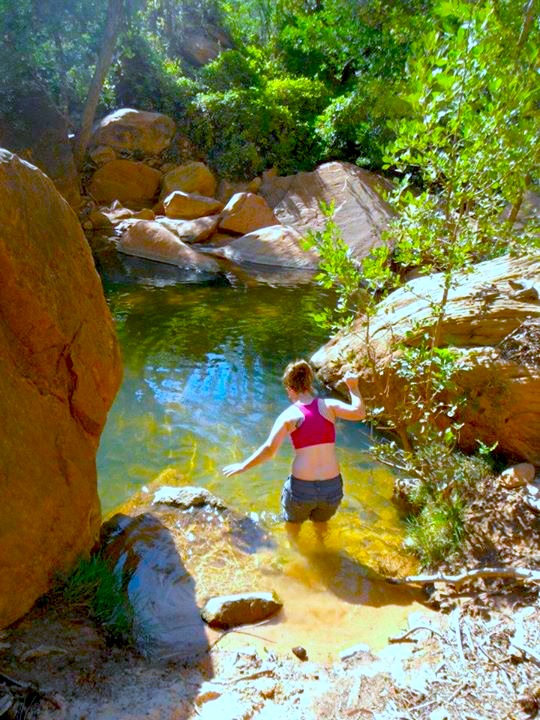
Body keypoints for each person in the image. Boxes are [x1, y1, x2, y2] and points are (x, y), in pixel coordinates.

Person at [222, 359, 365, 543]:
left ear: (290, 388)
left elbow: (269, 450)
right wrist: (353, 387)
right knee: (321, 525)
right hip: (331, 488)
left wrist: (243, 466)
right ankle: (322, 550)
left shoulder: (289, 415)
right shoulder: (328, 406)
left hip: (301, 489)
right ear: (309, 384)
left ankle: (295, 555)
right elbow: (359, 412)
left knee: (293, 527)